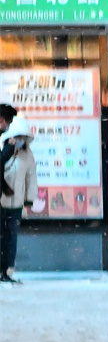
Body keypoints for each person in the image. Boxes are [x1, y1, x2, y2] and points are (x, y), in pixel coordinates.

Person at [0, 108, 42, 284]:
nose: (19, 141)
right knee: (2, 236)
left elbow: (31, 177)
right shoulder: (4, 150)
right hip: (1, 201)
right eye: (17, 137)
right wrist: (8, 151)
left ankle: (8, 270)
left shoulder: (27, 154)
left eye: (23, 138)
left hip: (16, 204)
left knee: (12, 237)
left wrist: (29, 198)